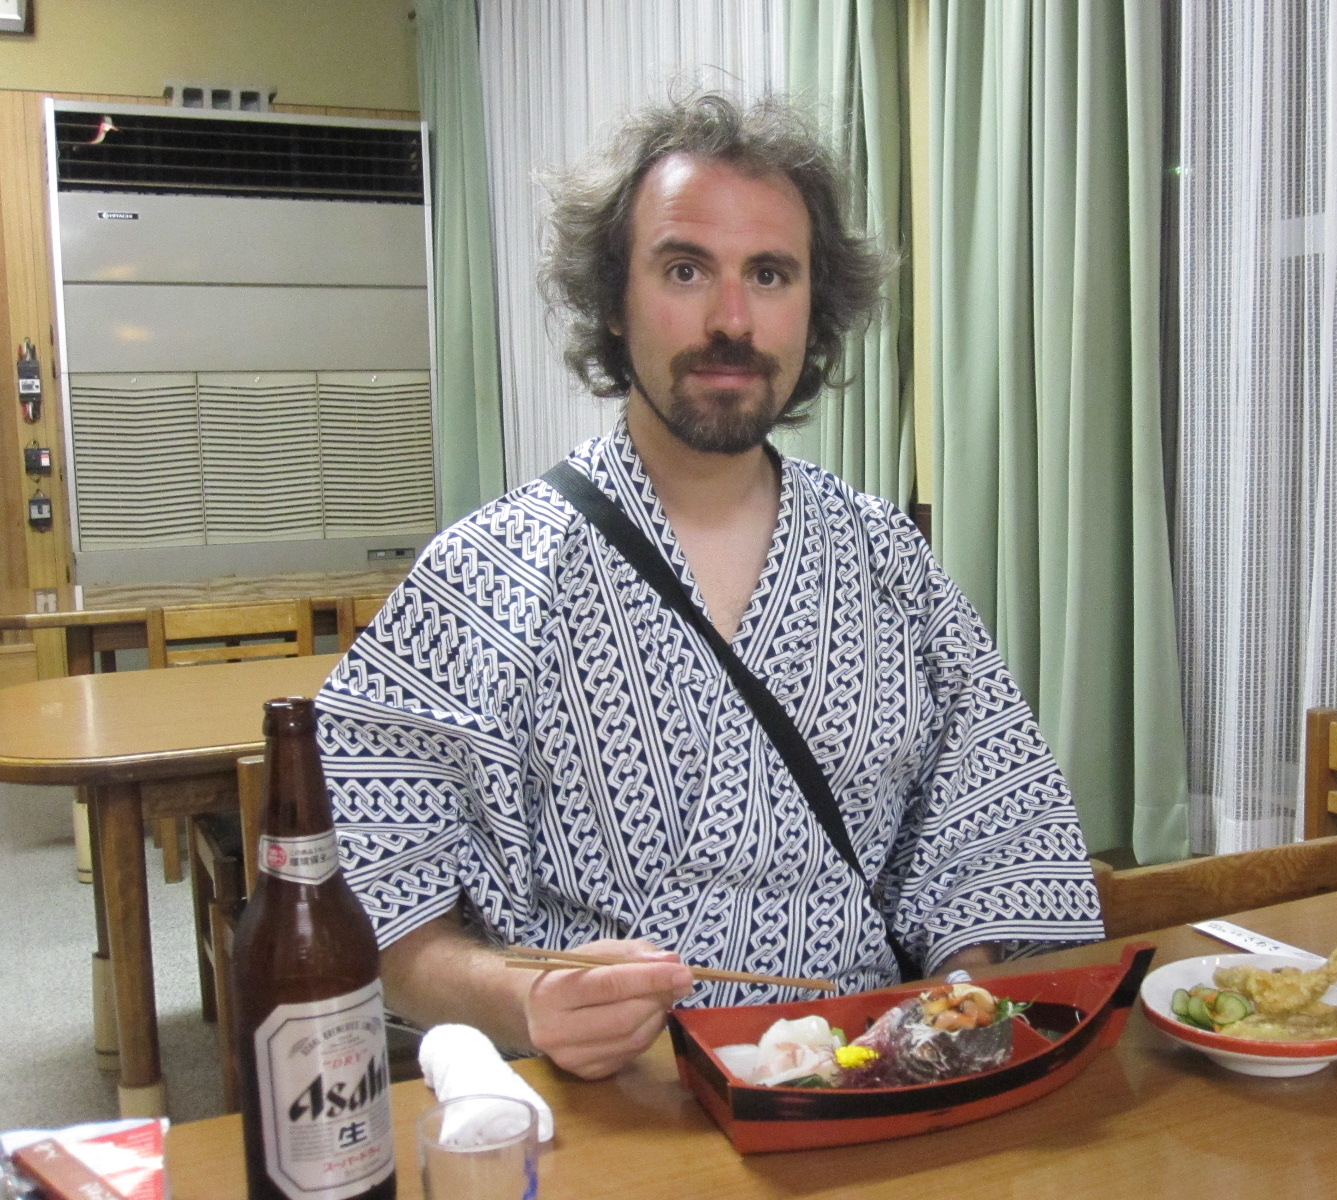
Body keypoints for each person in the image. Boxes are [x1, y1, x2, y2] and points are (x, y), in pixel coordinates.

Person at [317, 91, 1104, 1082]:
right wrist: (525, 1001)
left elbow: (994, 840)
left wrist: (959, 995)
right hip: (618, 1101)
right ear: (614, 299)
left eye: (769, 275)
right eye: (685, 270)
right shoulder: (483, 576)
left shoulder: (889, 562)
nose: (732, 320)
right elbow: (380, 913)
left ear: (814, 306)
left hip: (868, 1084)